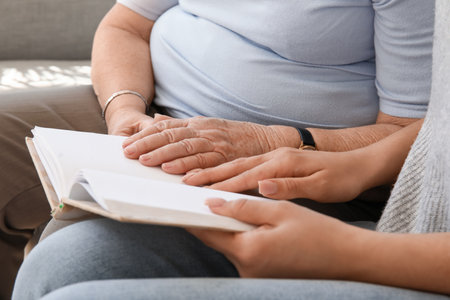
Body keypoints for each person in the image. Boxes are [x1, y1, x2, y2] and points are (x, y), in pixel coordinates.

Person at [11, 0, 450, 297]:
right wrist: (124, 110)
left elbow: (413, 130)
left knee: (66, 262)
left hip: (280, 157)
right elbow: (125, 25)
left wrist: (289, 143)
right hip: (147, 111)